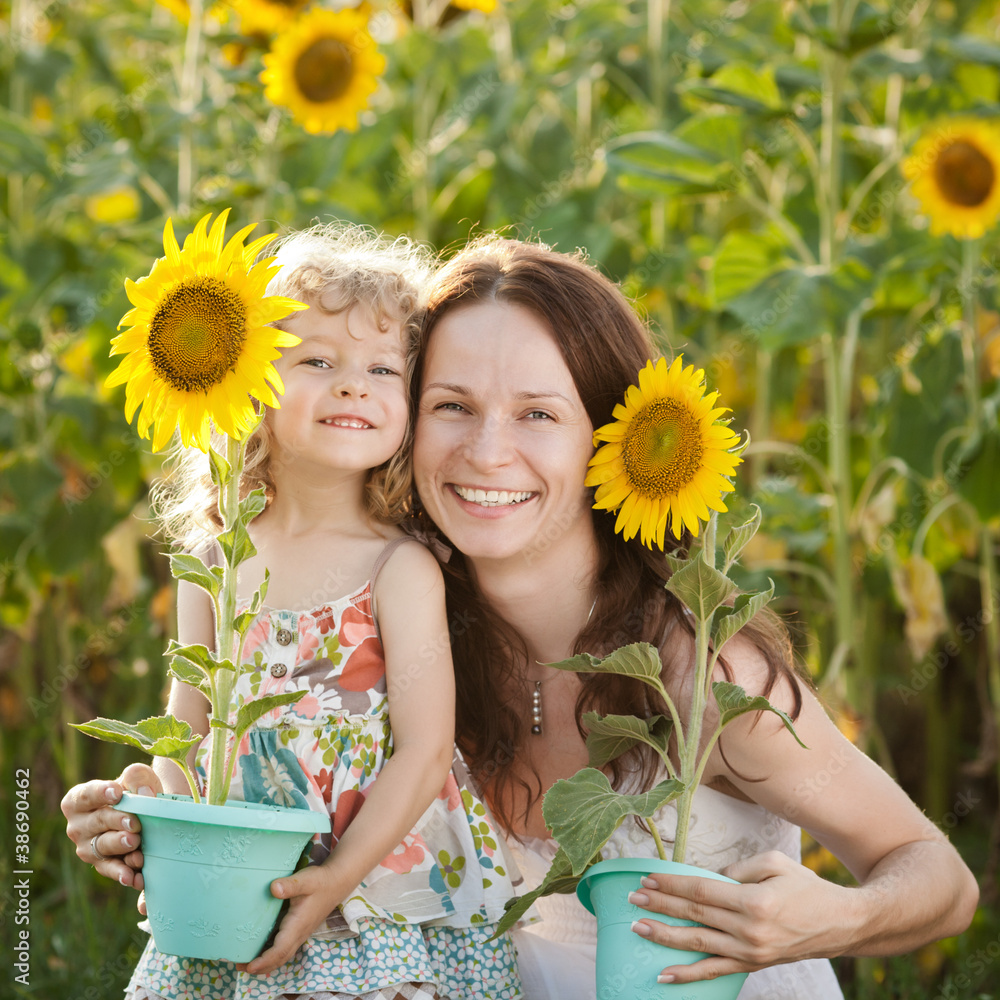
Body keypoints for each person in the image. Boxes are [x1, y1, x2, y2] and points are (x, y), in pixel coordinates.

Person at [64, 235, 979, 999]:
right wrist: (159, 820)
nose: (487, 450)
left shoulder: (699, 674)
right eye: (450, 404)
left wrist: (834, 916)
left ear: (607, 439)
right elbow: (258, 772)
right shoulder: (398, 644)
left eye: (539, 413)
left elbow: (936, 879)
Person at [65, 224, 522, 1000]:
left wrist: (340, 876)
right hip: (239, 887)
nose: (354, 385)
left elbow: (423, 747)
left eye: (384, 368)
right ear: (247, 389)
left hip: (372, 896)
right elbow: (191, 731)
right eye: (318, 361)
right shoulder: (215, 563)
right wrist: (155, 808)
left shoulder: (398, 565)